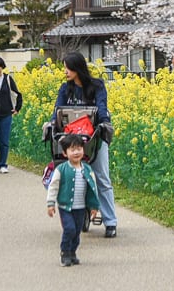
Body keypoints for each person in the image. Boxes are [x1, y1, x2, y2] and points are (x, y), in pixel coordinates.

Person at [51, 52, 117, 238]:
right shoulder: (65, 89)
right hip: (72, 139)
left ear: (77, 68)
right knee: (68, 176)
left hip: (94, 138)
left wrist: (104, 122)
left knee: (102, 178)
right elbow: (57, 110)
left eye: (68, 68)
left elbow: (102, 107)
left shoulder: (97, 86)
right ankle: (80, 213)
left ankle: (110, 221)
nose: (65, 71)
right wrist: (50, 123)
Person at [46, 134, 100, 267]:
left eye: (79, 149)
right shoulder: (61, 169)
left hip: (81, 208)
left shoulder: (87, 169)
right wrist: (50, 203)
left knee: (76, 232)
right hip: (65, 207)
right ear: (65, 153)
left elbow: (93, 189)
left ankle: (73, 252)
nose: (76, 152)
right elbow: (53, 186)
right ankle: (65, 252)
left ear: (83, 150)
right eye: (72, 149)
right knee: (69, 229)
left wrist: (94, 206)